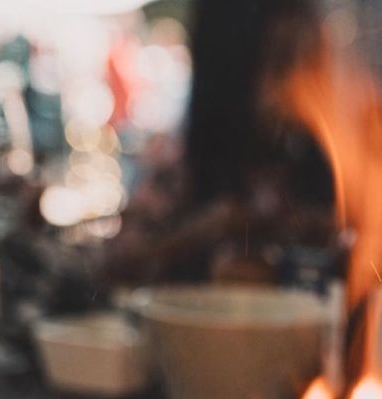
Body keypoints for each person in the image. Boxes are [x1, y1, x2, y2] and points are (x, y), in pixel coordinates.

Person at [103, 0, 335, 286]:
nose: (297, 85)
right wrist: (198, 234)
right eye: (280, 61)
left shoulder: (312, 156)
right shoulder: (182, 167)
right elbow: (124, 261)